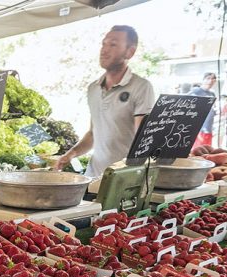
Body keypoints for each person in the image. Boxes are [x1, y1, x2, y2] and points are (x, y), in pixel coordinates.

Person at [55, 26, 156, 178]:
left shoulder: (141, 87)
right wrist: (71, 154)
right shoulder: (93, 88)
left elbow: (142, 139)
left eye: (113, 44)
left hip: (122, 178)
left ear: (130, 52)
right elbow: (93, 134)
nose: (104, 50)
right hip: (93, 176)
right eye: (104, 44)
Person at [190, 72, 217, 148]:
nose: (210, 81)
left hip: (208, 128)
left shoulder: (212, 94)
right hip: (199, 129)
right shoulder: (196, 91)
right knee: (197, 151)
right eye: (208, 78)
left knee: (207, 150)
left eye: (213, 79)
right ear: (203, 80)